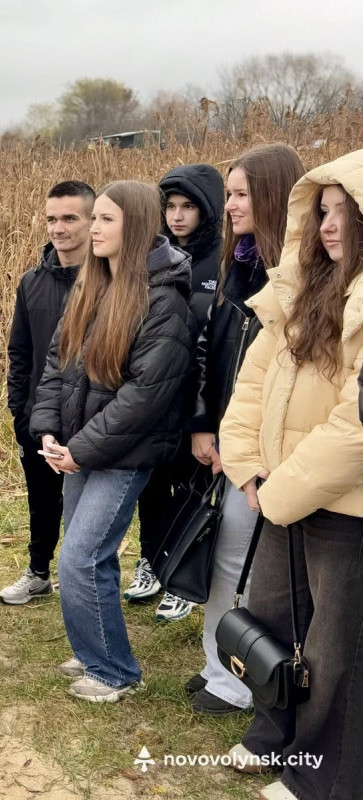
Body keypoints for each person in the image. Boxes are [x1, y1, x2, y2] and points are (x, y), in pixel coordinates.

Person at [219, 148, 363, 800]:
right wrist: (248, 467)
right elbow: (251, 386)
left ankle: (318, 775)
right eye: (322, 212)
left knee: (335, 650)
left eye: (344, 214)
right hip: (278, 492)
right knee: (270, 619)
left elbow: (354, 427)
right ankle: (271, 731)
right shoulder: (300, 291)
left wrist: (280, 489)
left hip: (344, 506)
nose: (328, 226)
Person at [29, 181, 192, 703]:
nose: (93, 229)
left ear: (136, 226)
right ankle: (91, 650)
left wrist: (82, 450)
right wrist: (49, 430)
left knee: (82, 555)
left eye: (105, 220)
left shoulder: (163, 300)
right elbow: (58, 363)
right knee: (81, 556)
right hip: (79, 448)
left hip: (123, 455)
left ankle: (115, 671)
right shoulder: (90, 286)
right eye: (93, 218)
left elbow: (146, 396)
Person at [185, 143, 305, 716]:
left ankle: (236, 679)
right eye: (229, 194)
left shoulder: (300, 277)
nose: (229, 205)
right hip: (231, 439)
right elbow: (214, 351)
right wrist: (206, 427)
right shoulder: (241, 265)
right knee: (227, 555)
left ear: (273, 196)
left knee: (245, 560)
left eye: (240, 194)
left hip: (269, 447)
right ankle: (218, 667)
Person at [127, 164, 225, 622]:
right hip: (155, 395)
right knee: (149, 483)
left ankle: (183, 568)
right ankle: (151, 559)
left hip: (198, 397)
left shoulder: (220, 263)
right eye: (170, 207)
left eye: (188, 207)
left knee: (190, 487)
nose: (178, 216)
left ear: (207, 211)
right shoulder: (153, 258)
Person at [0, 181, 93, 605]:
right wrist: (21, 410)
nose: (59, 228)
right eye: (52, 219)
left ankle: (85, 579)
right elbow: (19, 352)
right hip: (41, 418)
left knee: (85, 511)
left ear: (92, 221)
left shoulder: (107, 284)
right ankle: (39, 573)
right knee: (41, 500)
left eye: (70, 218)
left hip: (92, 420)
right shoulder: (31, 283)